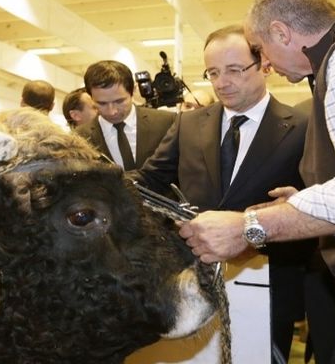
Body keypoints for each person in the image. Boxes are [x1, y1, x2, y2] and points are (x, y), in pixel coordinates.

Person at [180, 0, 335, 363]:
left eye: (259, 50)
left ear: (280, 32)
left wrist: (249, 226)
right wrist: (302, 202)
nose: (266, 62)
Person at [133, 25, 312, 363]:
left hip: (268, 283)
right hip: (192, 281)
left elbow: (315, 207)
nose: (221, 82)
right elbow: (147, 181)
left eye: (233, 70)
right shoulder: (188, 124)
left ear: (265, 65)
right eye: (213, 72)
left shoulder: (301, 127)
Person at [75, 60, 175, 170]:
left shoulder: (166, 123)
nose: (112, 111)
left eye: (119, 101)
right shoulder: (80, 137)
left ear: (132, 91)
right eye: (102, 103)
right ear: (91, 98)